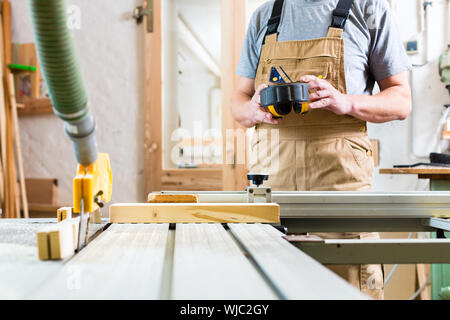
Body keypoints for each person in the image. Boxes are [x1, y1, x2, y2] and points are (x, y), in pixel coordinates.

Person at [231, 0, 412, 299]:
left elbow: (401, 100)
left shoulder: (369, 10)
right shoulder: (264, 16)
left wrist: (347, 103)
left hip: (342, 204)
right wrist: (250, 110)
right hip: (272, 203)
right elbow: (239, 98)